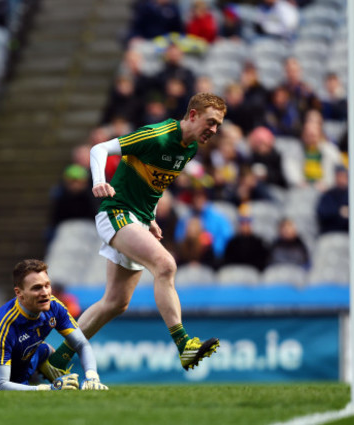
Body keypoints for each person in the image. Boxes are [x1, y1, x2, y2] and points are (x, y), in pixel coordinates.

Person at [45, 93, 226, 373]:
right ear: (192, 115)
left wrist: (150, 217)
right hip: (116, 212)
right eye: (211, 122)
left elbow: (153, 185)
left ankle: (55, 361)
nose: (214, 130)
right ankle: (184, 346)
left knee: (115, 303)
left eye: (218, 126)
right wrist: (99, 182)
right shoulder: (157, 135)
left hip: (137, 218)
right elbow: (98, 149)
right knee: (165, 265)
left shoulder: (188, 149)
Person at [0, 259, 107, 391]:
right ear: (19, 293)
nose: (45, 293)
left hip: (25, 366)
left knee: (44, 349)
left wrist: (92, 376)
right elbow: (0, 386)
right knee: (31, 349)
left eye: (47, 285)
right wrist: (48, 389)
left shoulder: (53, 306)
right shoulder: (1, 326)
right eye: (37, 288)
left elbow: (81, 343)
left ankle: (47, 365)